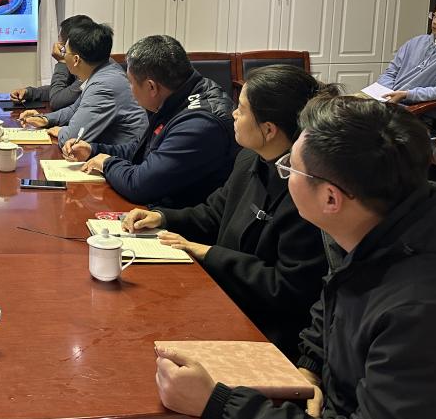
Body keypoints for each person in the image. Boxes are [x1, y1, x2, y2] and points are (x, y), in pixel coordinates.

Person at [155, 96, 436, 419]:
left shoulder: (418, 305)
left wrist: (217, 404)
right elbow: (333, 300)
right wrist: (310, 366)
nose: (283, 174)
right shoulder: (375, 225)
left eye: (290, 167)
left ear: (330, 198)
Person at [121, 66, 335, 358]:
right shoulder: (249, 159)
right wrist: (163, 217)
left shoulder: (303, 192)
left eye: (242, 110)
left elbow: (286, 288)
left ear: (268, 130)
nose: (233, 113)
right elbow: (215, 212)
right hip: (223, 298)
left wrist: (208, 253)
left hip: (264, 331)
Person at [63, 34, 235, 207]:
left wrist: (107, 164)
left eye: (131, 83)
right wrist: (93, 150)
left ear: (151, 87)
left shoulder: (198, 125)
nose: (130, 90)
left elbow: (140, 186)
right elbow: (141, 151)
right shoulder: (179, 94)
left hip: (181, 217)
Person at [16, 22, 147, 147]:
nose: (62, 56)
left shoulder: (103, 85)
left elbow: (72, 139)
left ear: (76, 59)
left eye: (64, 52)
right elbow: (74, 109)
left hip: (124, 156)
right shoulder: (104, 69)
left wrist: (61, 131)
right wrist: (45, 119)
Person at [10, 14, 93, 109]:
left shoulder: (88, 71)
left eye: (60, 43)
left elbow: (56, 101)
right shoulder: (83, 63)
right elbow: (62, 91)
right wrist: (29, 92)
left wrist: (62, 61)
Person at [374, 1, 436, 104]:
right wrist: (388, 93)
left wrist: (407, 94)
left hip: (413, 109)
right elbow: (390, 72)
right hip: (387, 101)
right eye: (435, 15)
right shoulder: (416, 42)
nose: (435, 21)